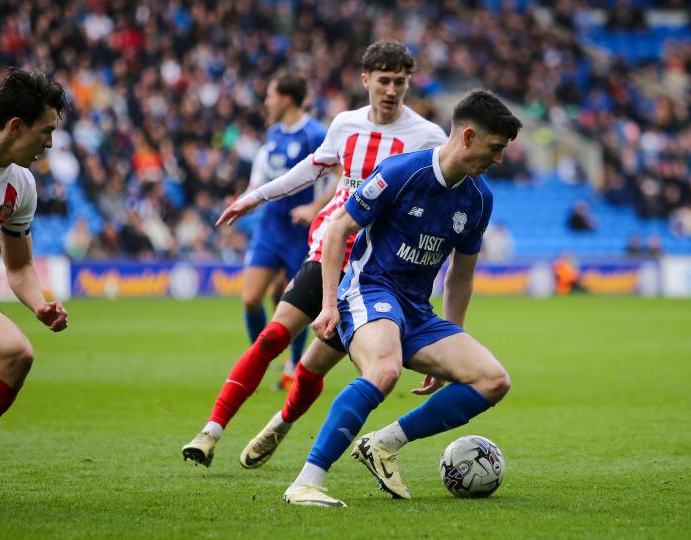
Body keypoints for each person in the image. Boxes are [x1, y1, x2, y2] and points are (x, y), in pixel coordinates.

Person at [181, 41, 447, 469]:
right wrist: (256, 197)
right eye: (384, 81)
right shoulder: (345, 125)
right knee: (272, 336)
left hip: (377, 274)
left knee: (311, 369)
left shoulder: (429, 137)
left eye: (400, 82)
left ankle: (282, 423)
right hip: (331, 255)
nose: (392, 90)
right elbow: (311, 168)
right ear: (366, 80)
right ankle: (210, 431)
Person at [282, 89, 521, 508]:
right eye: (495, 147)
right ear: (467, 137)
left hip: (416, 310)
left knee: (493, 380)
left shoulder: (479, 198)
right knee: (385, 369)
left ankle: (384, 444)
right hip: (370, 287)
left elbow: (460, 277)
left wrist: (450, 344)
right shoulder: (401, 172)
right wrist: (328, 305)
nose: (498, 159)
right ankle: (306, 481)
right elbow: (337, 229)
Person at [0, 68, 69, 438]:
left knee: (16, 353)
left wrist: (39, 305)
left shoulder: (21, 185)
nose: (49, 143)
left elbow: (18, 265)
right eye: (45, 131)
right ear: (16, 126)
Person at [239, 73, 331, 390]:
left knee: (296, 300)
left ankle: (293, 363)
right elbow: (262, 177)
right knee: (251, 298)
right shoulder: (273, 134)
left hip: (301, 233)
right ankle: (260, 358)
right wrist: (244, 200)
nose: (267, 101)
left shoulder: (315, 133)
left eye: (270, 95)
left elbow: (342, 174)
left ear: (287, 98)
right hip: (271, 227)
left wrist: (314, 206)